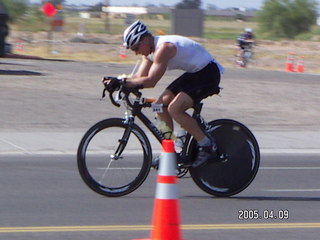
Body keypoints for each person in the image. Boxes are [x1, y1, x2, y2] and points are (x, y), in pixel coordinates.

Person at [104, 20, 224, 168]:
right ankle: (170, 150)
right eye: (132, 49)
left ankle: (207, 145)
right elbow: (138, 78)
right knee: (158, 107)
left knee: (174, 109)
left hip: (208, 73)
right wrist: (119, 80)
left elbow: (150, 81)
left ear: (145, 39)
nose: (135, 52)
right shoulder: (149, 52)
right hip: (194, 73)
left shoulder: (164, 48)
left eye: (136, 47)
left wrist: (125, 83)